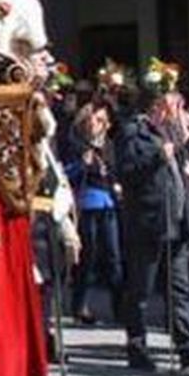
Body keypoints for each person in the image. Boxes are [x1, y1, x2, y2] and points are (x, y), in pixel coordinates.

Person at [116, 62, 189, 373]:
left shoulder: (172, 132)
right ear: (159, 105)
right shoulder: (133, 130)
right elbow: (128, 170)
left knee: (179, 290)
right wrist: (156, 156)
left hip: (175, 222)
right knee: (141, 291)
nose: (177, 108)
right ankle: (137, 348)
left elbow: (185, 169)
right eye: (173, 102)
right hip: (148, 222)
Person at [65, 103, 124, 324]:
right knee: (87, 257)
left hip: (108, 203)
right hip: (87, 201)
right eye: (93, 120)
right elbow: (66, 173)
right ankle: (80, 306)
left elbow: (114, 171)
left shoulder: (108, 145)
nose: (96, 125)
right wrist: (82, 164)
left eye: (101, 121)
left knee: (113, 256)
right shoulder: (76, 145)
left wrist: (118, 185)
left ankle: (119, 308)